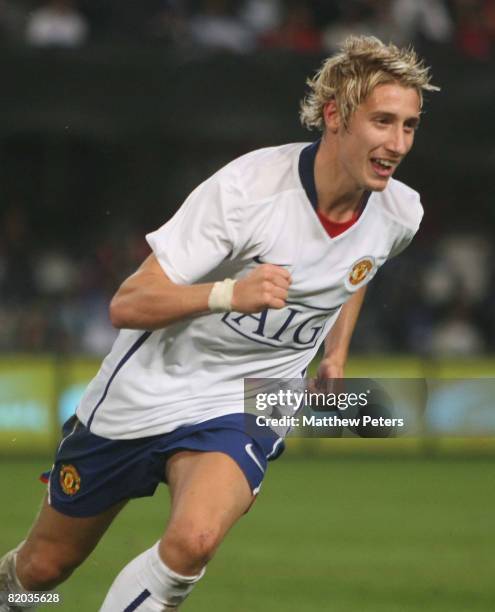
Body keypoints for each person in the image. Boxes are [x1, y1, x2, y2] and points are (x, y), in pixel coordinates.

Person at [0, 35, 438, 611]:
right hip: (150, 388)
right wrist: (231, 293)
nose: (398, 142)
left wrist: (335, 354)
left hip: (253, 398)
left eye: (409, 125)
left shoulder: (400, 211)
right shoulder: (248, 191)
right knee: (43, 570)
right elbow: (129, 303)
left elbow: (358, 267)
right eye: (383, 121)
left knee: (194, 541)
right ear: (335, 115)